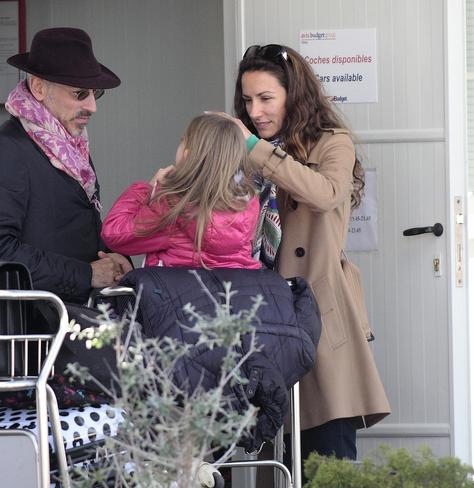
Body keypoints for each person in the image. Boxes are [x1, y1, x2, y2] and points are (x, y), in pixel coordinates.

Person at [223, 44, 391, 466]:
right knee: (278, 464)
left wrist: (254, 148)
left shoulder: (332, 144)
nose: (255, 111)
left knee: (327, 458)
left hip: (319, 316)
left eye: (266, 98)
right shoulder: (244, 153)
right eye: (247, 100)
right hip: (261, 319)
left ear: (293, 96)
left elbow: (326, 193)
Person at [0, 27, 132, 394]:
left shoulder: (65, 146)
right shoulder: (6, 151)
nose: (92, 105)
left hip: (68, 343)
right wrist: (85, 273)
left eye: (95, 93)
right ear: (39, 87)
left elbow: (63, 229)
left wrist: (110, 259)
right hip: (31, 354)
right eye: (80, 93)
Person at [101, 113, 262, 270]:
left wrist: (146, 189)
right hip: (230, 294)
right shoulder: (248, 203)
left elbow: (114, 234)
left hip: (179, 295)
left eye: (182, 141)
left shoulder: (174, 205)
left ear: (187, 155)